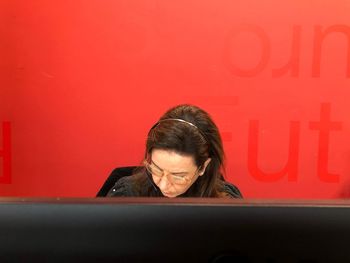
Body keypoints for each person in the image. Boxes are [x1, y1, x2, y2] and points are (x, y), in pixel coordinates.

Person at [107, 104, 242, 198]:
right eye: (157, 170)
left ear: (203, 167)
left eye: (178, 176)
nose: (164, 185)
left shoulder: (227, 202)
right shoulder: (126, 195)